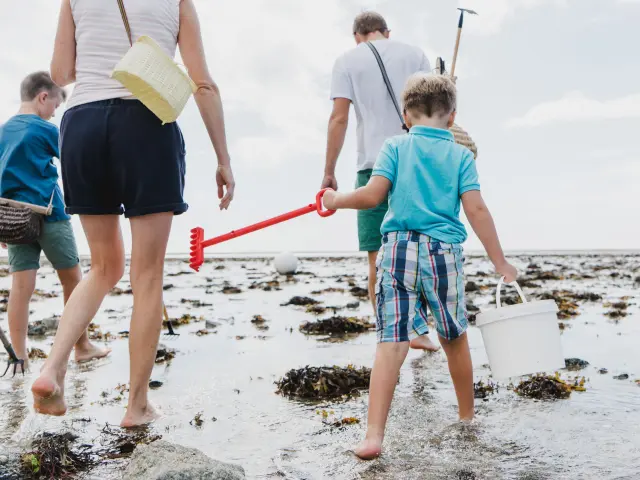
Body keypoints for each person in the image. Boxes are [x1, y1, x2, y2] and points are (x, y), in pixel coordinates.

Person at [31, 0, 235, 428]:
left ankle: (52, 368)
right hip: (145, 121)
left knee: (103, 267)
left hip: (82, 123)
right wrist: (222, 158)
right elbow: (204, 84)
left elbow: (61, 71)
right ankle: (136, 405)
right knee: (146, 275)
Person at [323, 74, 517, 459]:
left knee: (390, 343)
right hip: (443, 253)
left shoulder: (395, 145)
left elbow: (372, 195)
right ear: (452, 116)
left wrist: (334, 199)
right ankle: (466, 418)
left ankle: (373, 436)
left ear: (406, 115)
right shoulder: (461, 156)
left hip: (396, 251)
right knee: (454, 338)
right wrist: (500, 262)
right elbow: (476, 209)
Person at [322, 11, 439, 352]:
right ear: (386, 32)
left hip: (373, 165)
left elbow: (339, 117)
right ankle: (420, 332)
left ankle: (390, 334)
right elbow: (435, 109)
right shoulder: (415, 54)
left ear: (357, 35)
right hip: (418, 161)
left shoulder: (346, 61)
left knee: (378, 257)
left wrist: (329, 171)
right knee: (423, 249)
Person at [0, 72, 110, 372]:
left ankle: (19, 358)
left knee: (21, 287)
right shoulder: (44, 129)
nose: (55, 111)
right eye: (56, 104)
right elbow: (74, 161)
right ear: (43, 96)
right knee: (73, 281)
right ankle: (82, 347)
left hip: (12, 219)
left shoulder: (2, 131)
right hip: (50, 215)